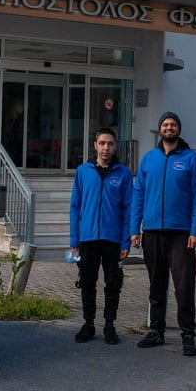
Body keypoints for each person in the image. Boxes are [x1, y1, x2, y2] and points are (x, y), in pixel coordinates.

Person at [130, 112, 196, 356]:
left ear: (178, 129)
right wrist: (134, 229)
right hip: (152, 232)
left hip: (181, 234)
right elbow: (138, 196)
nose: (169, 127)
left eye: (173, 124)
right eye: (165, 124)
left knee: (184, 287)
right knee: (156, 285)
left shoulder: (190, 159)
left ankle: (188, 335)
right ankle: (156, 331)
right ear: (160, 129)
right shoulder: (149, 159)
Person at [68, 128, 133, 345]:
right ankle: (88, 324)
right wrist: (74, 239)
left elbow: (128, 209)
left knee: (113, 283)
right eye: (102, 143)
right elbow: (75, 207)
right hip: (88, 238)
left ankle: (109, 325)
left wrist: (125, 241)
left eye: (110, 143)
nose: (106, 148)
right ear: (95, 145)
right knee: (87, 282)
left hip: (113, 239)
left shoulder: (123, 174)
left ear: (115, 147)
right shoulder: (83, 171)